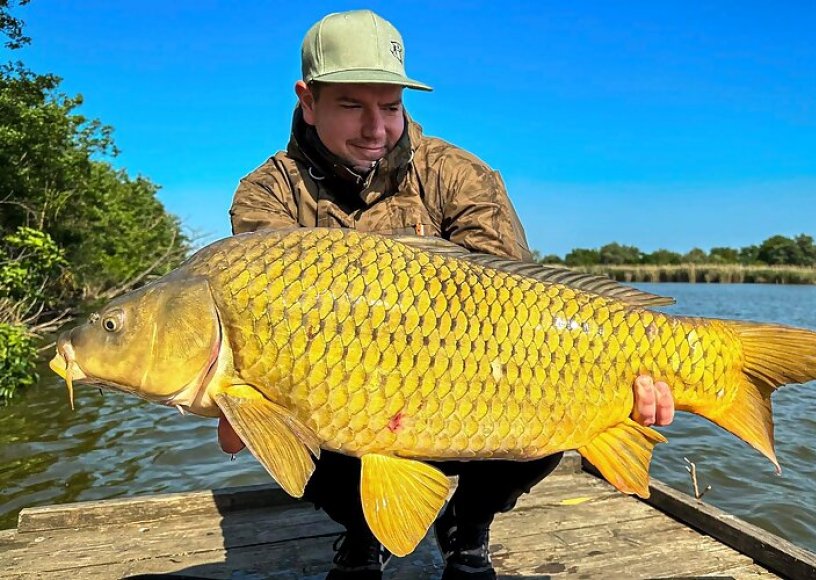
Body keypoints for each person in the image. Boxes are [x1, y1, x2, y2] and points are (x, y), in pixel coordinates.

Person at [220, 10, 675, 580]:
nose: (375, 128)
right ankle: (364, 535)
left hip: (465, 382)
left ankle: (467, 520)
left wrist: (618, 380)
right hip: (345, 397)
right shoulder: (268, 193)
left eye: (389, 105)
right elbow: (263, 315)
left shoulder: (459, 174)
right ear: (307, 100)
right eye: (351, 105)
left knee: (554, 408)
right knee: (295, 418)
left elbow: (520, 299)